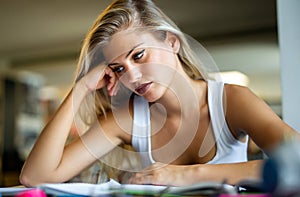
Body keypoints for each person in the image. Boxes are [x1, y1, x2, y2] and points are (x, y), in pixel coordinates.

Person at [20, 0, 298, 187]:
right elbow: (35, 177)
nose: (132, 77)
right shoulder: (129, 118)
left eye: (139, 55)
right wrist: (80, 88)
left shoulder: (231, 101)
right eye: (118, 68)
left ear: (172, 42)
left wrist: (189, 174)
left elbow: (296, 160)